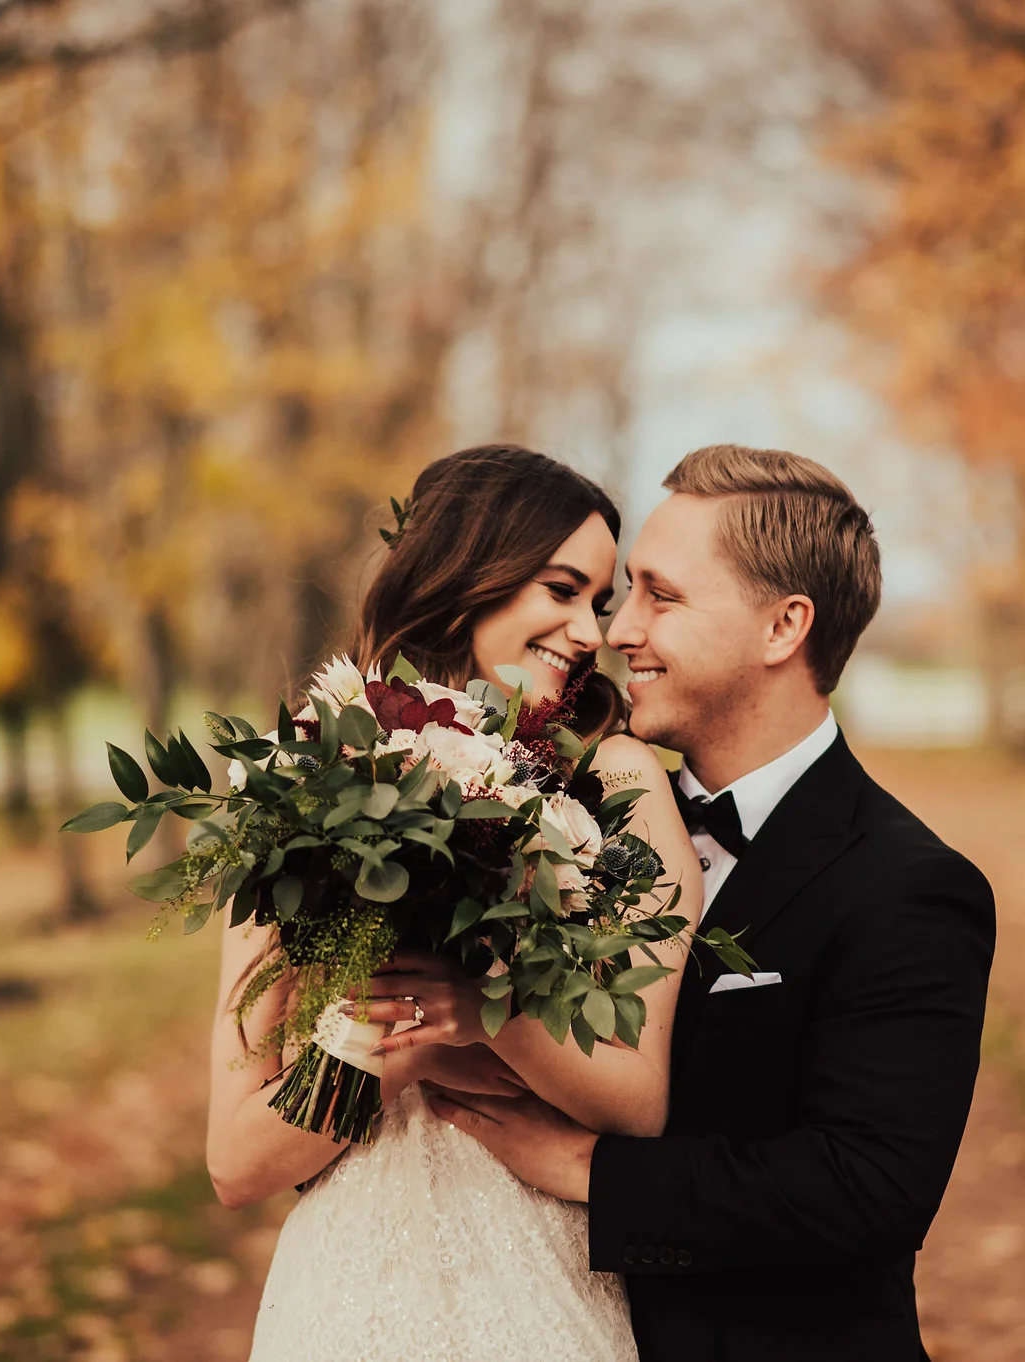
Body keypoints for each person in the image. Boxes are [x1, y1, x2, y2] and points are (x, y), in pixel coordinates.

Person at [428, 444, 996, 1362]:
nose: (616, 632)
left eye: (663, 596)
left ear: (784, 628)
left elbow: (867, 1187)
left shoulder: (909, 884)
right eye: (627, 595)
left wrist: (591, 1170)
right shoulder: (569, 815)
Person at [206, 445, 702, 1361]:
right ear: (470, 577)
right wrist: (383, 1050)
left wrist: (476, 1014)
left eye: (598, 603)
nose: (590, 632)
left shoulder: (619, 782)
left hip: (540, 1287)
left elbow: (638, 1100)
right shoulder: (304, 791)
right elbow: (236, 1162)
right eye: (562, 591)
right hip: (347, 1298)